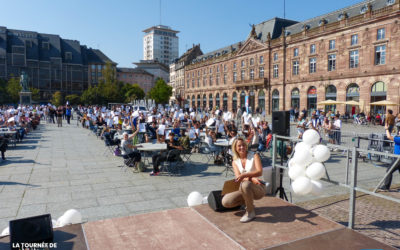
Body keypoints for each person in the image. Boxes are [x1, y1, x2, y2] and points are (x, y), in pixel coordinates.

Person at [222, 137, 267, 223]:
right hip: (244, 187)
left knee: (245, 184)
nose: (242, 147)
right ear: (235, 148)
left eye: (243, 145)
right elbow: (238, 177)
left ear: (246, 146)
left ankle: (250, 213)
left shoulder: (254, 155)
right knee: (225, 202)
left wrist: (245, 175)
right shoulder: (235, 161)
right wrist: (251, 178)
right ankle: (247, 202)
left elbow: (259, 172)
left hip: (259, 187)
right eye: (239, 146)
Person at [379, 124, 400, 191]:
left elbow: (389, 137)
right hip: (397, 158)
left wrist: (387, 129)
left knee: (389, 170)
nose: (399, 132)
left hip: (398, 159)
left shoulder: (399, 139)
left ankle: (386, 186)